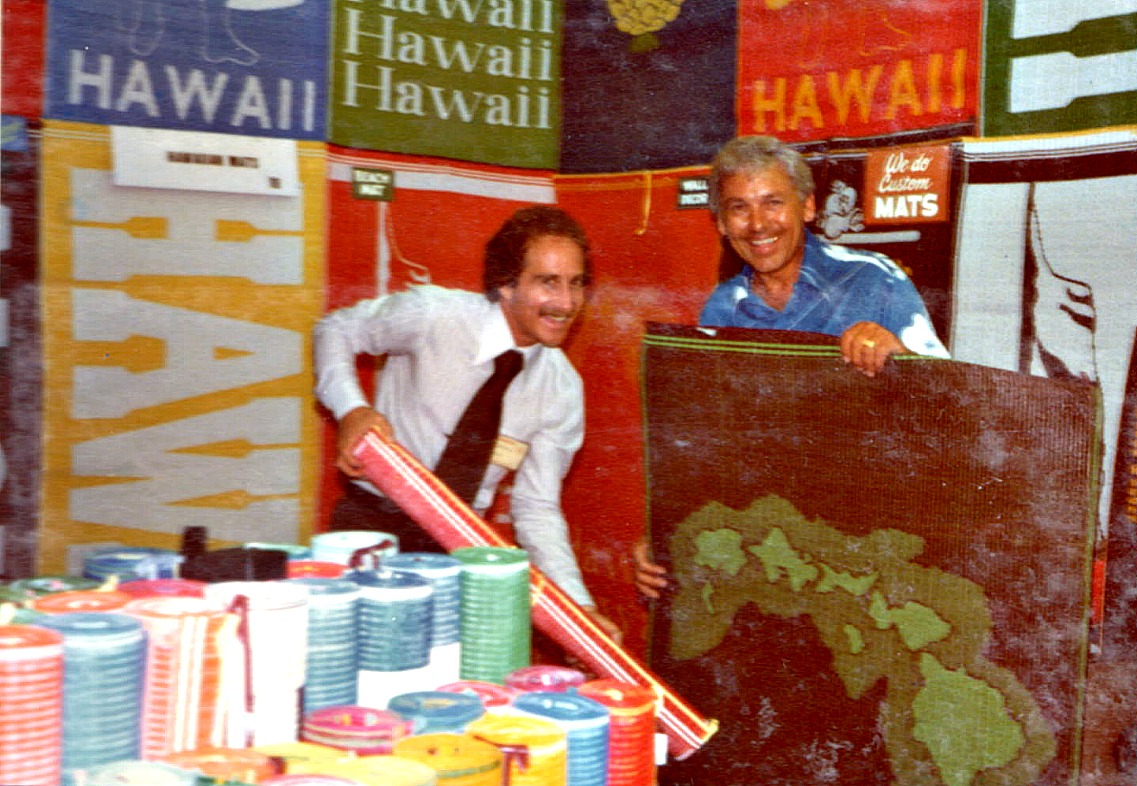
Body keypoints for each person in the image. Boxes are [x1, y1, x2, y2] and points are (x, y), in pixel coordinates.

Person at [633, 135, 950, 599]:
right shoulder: (720, 309)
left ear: (808, 207)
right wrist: (663, 533)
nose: (758, 223)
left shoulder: (873, 279)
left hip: (871, 548)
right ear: (720, 223)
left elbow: (950, 404)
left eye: (773, 202)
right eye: (739, 208)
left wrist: (900, 355)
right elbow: (707, 451)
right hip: (778, 554)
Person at [315, 205, 620, 641]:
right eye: (548, 282)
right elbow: (336, 329)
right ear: (506, 283)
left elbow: (536, 508)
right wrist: (351, 409)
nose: (567, 303)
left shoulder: (562, 388)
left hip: (461, 550)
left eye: (576, 284)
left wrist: (579, 606)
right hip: (372, 529)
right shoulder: (435, 314)